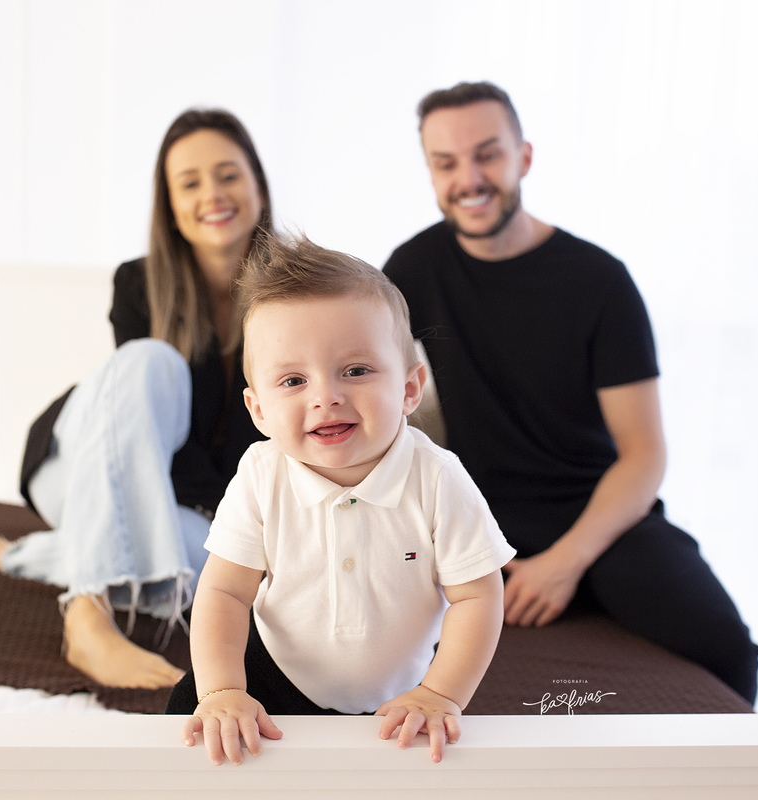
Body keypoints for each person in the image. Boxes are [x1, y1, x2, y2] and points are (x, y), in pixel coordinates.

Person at [382, 81, 758, 704]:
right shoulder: (412, 268)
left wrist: (564, 562)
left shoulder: (599, 281)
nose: (469, 179)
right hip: (473, 515)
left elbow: (645, 453)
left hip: (593, 514)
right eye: (446, 163)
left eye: (488, 155)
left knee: (728, 648)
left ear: (523, 157)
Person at [0, 108, 271, 689]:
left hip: (172, 498)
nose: (212, 194)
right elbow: (136, 421)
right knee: (151, 362)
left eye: (228, 175)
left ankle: (13, 556)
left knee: (254, 574)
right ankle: (86, 614)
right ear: (169, 205)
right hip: (82, 465)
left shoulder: (293, 295)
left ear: (259, 186)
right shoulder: (138, 282)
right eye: (189, 183)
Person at [169, 236, 516, 766]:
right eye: (293, 379)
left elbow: (478, 597)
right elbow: (223, 592)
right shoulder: (262, 475)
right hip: (276, 672)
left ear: (409, 388)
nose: (325, 396)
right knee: (190, 712)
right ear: (258, 410)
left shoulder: (438, 478)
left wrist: (442, 693)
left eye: (356, 371)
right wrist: (221, 691)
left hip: (399, 692)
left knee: (434, 750)